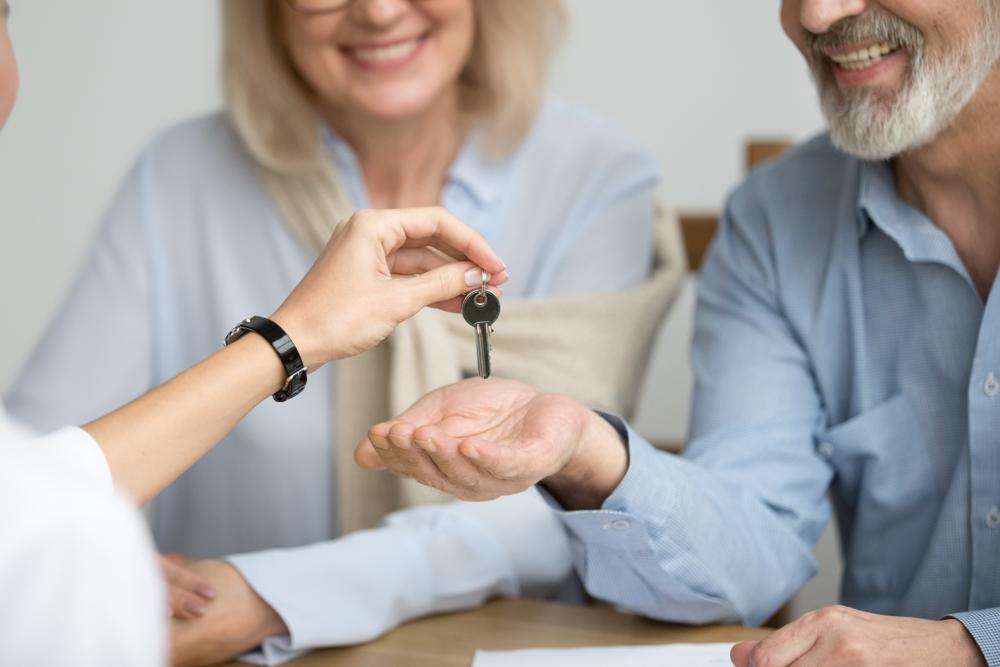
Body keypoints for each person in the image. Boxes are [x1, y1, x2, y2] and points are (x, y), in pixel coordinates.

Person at [5, 0, 678, 664]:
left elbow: (556, 497)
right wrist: (76, 550)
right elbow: (28, 474)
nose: (379, 12)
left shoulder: (596, 173)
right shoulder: (178, 174)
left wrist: (270, 598)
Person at [358, 0, 1000, 665]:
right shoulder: (775, 218)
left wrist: (971, 645)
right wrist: (589, 452)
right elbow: (749, 556)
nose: (815, 14)